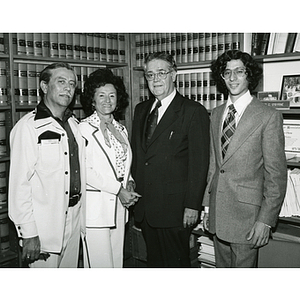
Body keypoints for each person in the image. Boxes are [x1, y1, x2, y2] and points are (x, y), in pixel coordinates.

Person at [202, 50, 287, 268]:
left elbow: (276, 175)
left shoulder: (268, 116)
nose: (232, 78)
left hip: (248, 217)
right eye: (227, 72)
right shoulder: (216, 114)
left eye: (239, 72)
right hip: (218, 213)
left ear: (249, 75)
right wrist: (207, 207)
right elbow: (214, 165)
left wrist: (266, 221)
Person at [131, 52, 210, 267]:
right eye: (150, 75)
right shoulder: (141, 110)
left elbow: (199, 164)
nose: (155, 80)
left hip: (175, 210)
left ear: (174, 75)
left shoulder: (194, 112)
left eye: (161, 73)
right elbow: (138, 157)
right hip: (146, 207)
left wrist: (193, 206)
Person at [8, 62, 86, 268]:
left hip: (74, 218)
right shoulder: (28, 127)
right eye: (61, 82)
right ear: (44, 87)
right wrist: (28, 233)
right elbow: (19, 185)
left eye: (72, 84)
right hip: (44, 227)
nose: (68, 88)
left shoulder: (75, 125)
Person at [79, 68, 140, 268]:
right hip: (95, 212)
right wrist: (118, 190)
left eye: (112, 95)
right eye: (101, 95)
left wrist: (130, 182)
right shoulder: (83, 129)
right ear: (92, 100)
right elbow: (85, 171)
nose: (107, 100)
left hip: (118, 209)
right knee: (99, 266)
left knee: (116, 264)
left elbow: (122, 163)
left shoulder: (121, 129)